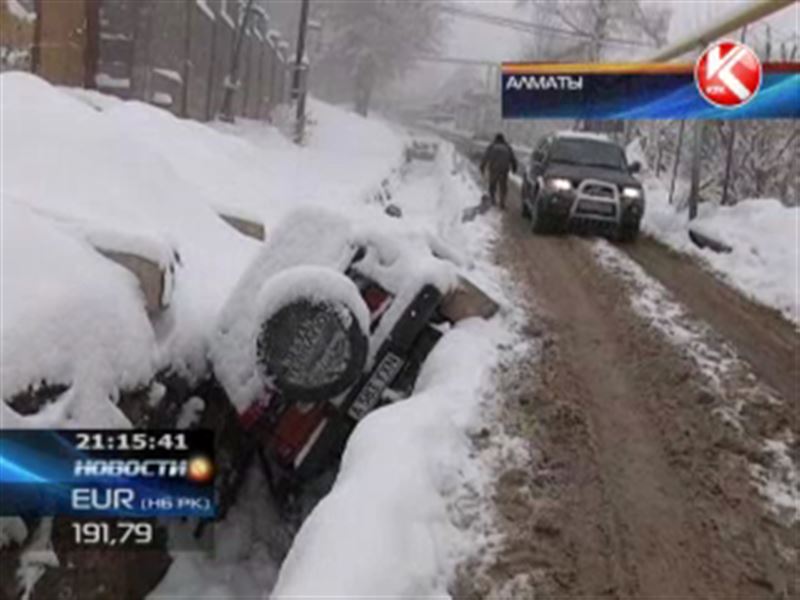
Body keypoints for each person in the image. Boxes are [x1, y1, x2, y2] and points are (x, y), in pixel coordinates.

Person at [480, 133, 518, 209]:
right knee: (503, 187)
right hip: (504, 170)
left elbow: (485, 157)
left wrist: (482, 166)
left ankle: (493, 200)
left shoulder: (492, 146)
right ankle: (502, 203)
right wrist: (514, 168)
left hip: (494, 169)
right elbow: (513, 159)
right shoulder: (507, 147)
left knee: (492, 185)